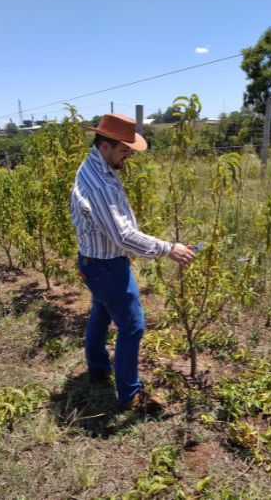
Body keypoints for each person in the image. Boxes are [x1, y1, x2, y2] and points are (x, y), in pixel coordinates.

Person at [70, 113, 197, 411]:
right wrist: (168, 249)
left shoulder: (95, 166)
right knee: (132, 327)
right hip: (106, 266)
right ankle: (129, 394)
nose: (128, 155)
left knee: (101, 314)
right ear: (106, 146)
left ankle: (99, 369)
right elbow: (122, 236)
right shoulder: (98, 184)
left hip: (94, 262)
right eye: (125, 150)